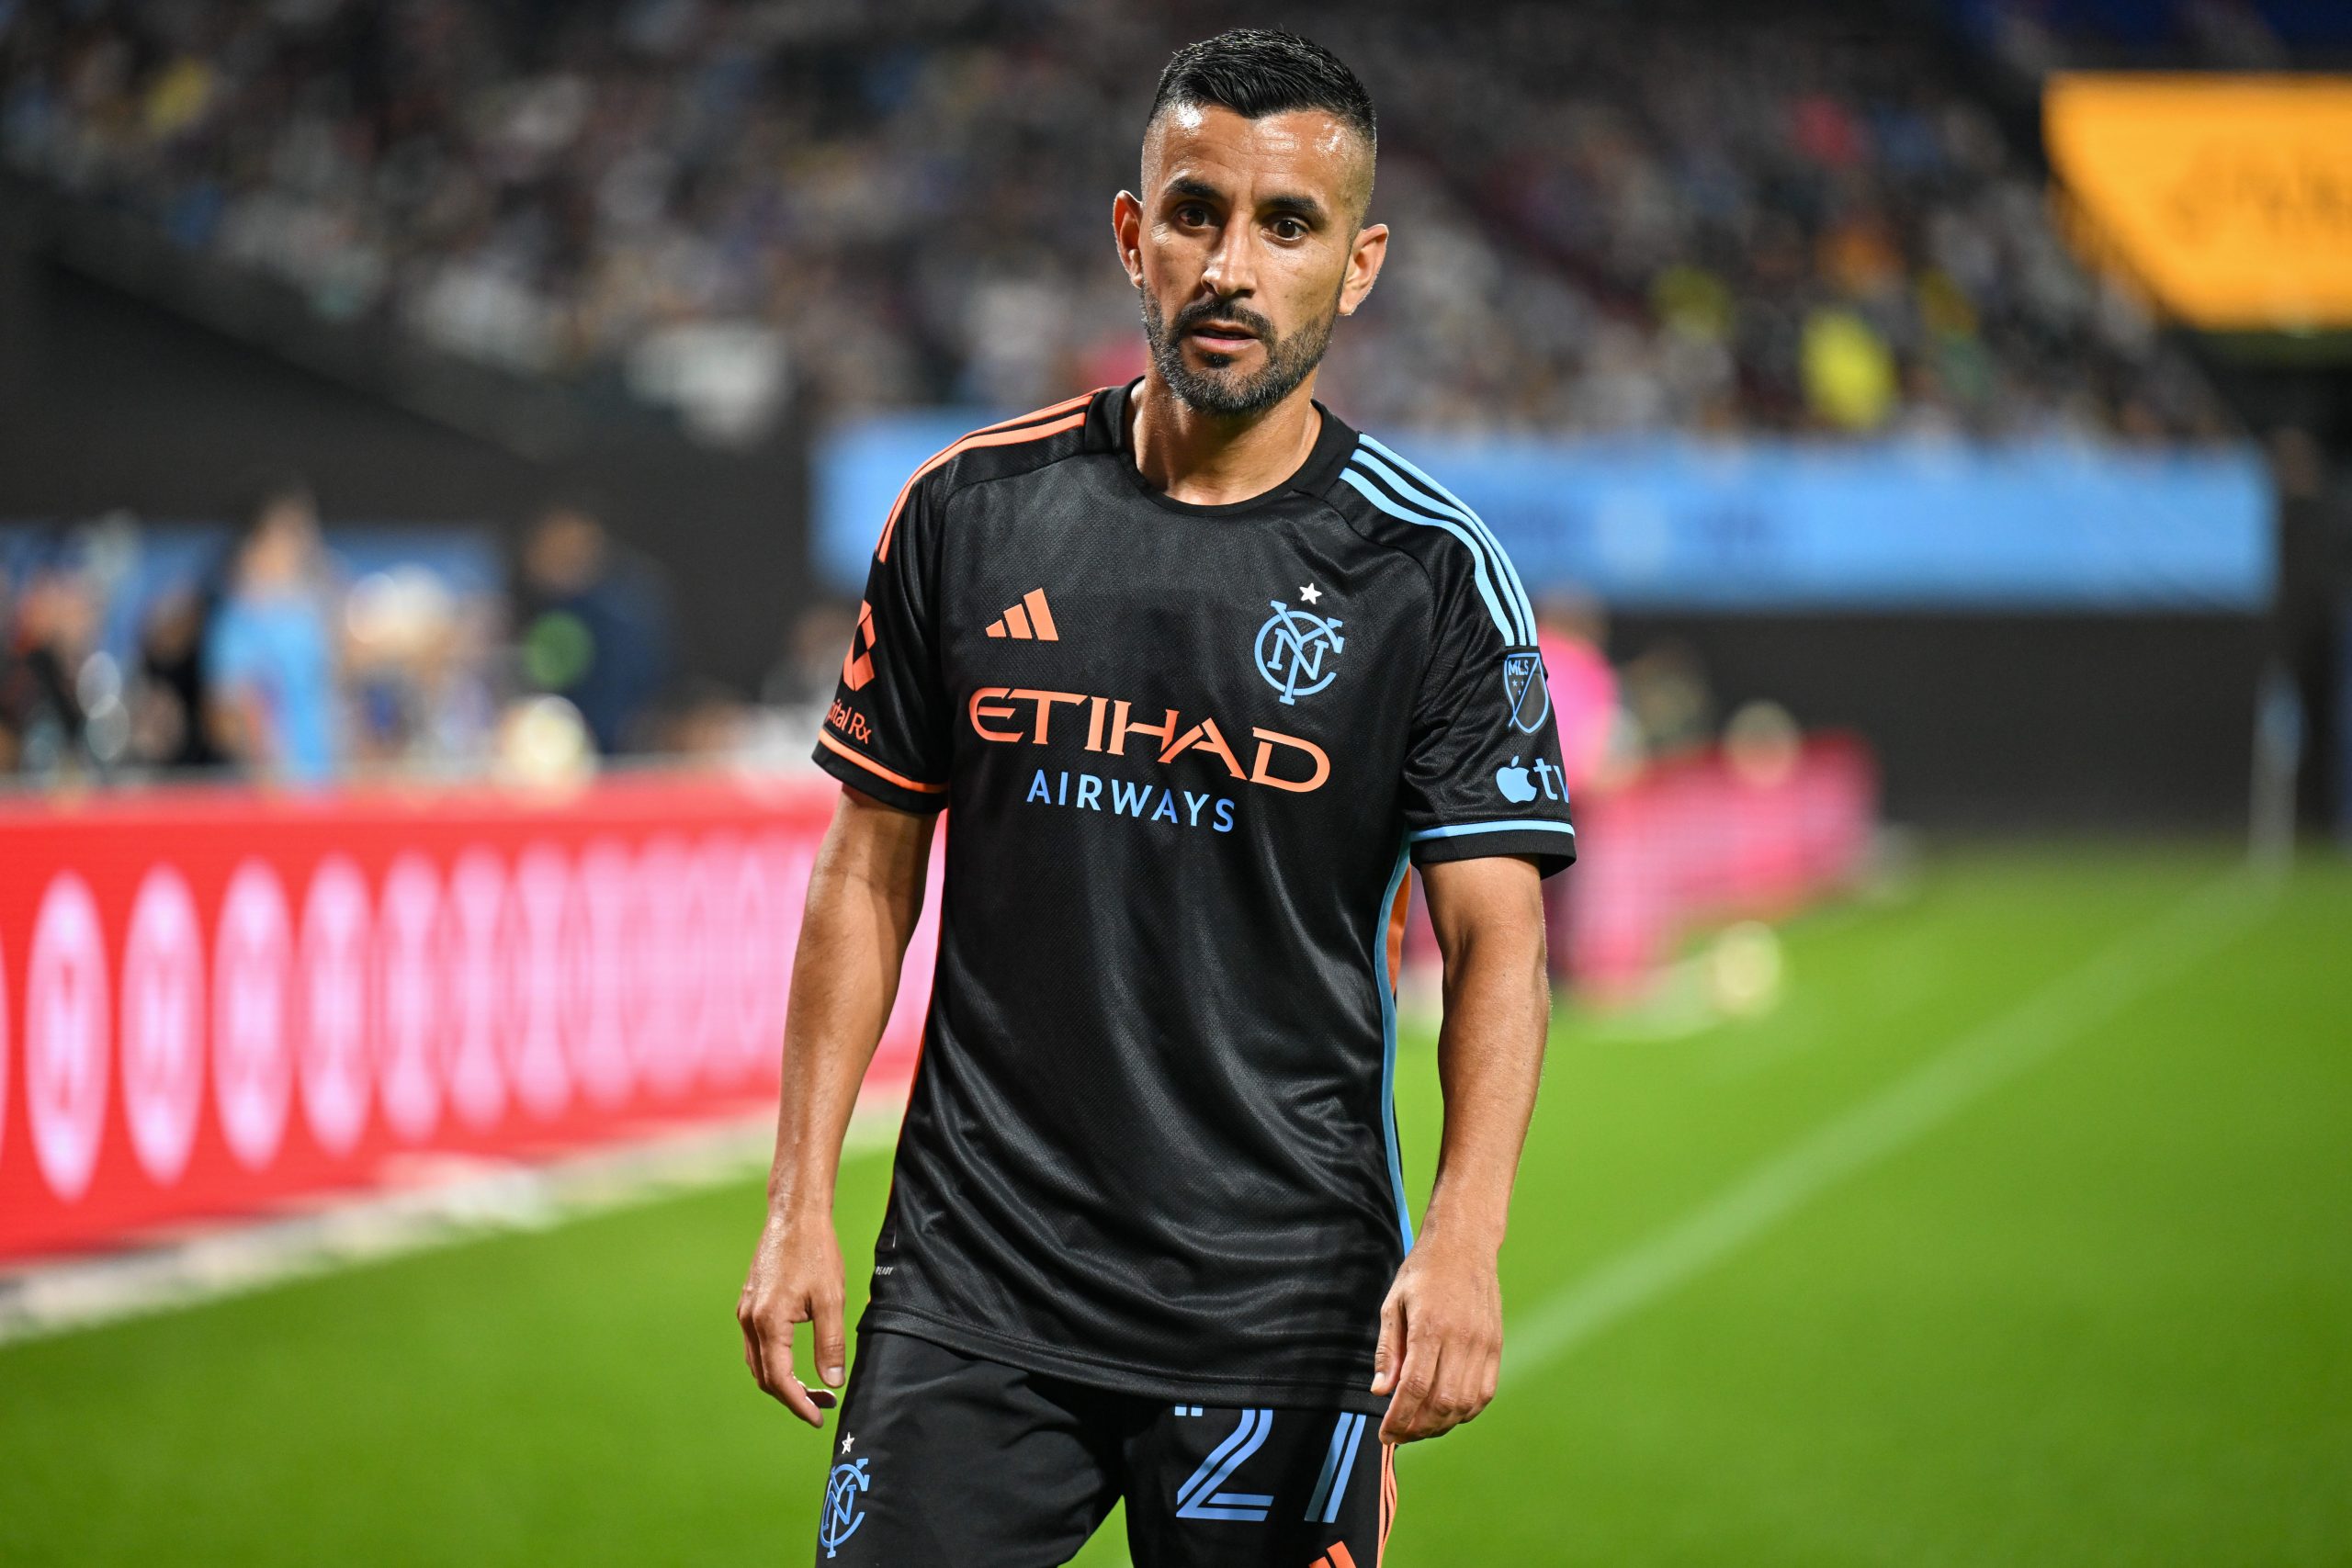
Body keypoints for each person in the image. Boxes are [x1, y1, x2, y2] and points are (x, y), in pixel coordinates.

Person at [738, 30, 1575, 1567]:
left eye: (1288, 222)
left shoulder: (1430, 574)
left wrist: (1465, 1240)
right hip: (974, 1288)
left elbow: (1498, 940)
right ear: (1134, 235)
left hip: (1278, 1308)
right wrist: (798, 1196)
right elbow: (865, 871)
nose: (1232, 265)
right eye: (1196, 210)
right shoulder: (966, 514)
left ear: (1361, 263)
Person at [203, 479, 342, 786]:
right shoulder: (239, 621)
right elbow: (228, 713)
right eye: (291, 532)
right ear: (259, 540)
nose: (305, 545)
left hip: (324, 786)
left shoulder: (310, 612)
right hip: (273, 794)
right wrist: (268, 773)